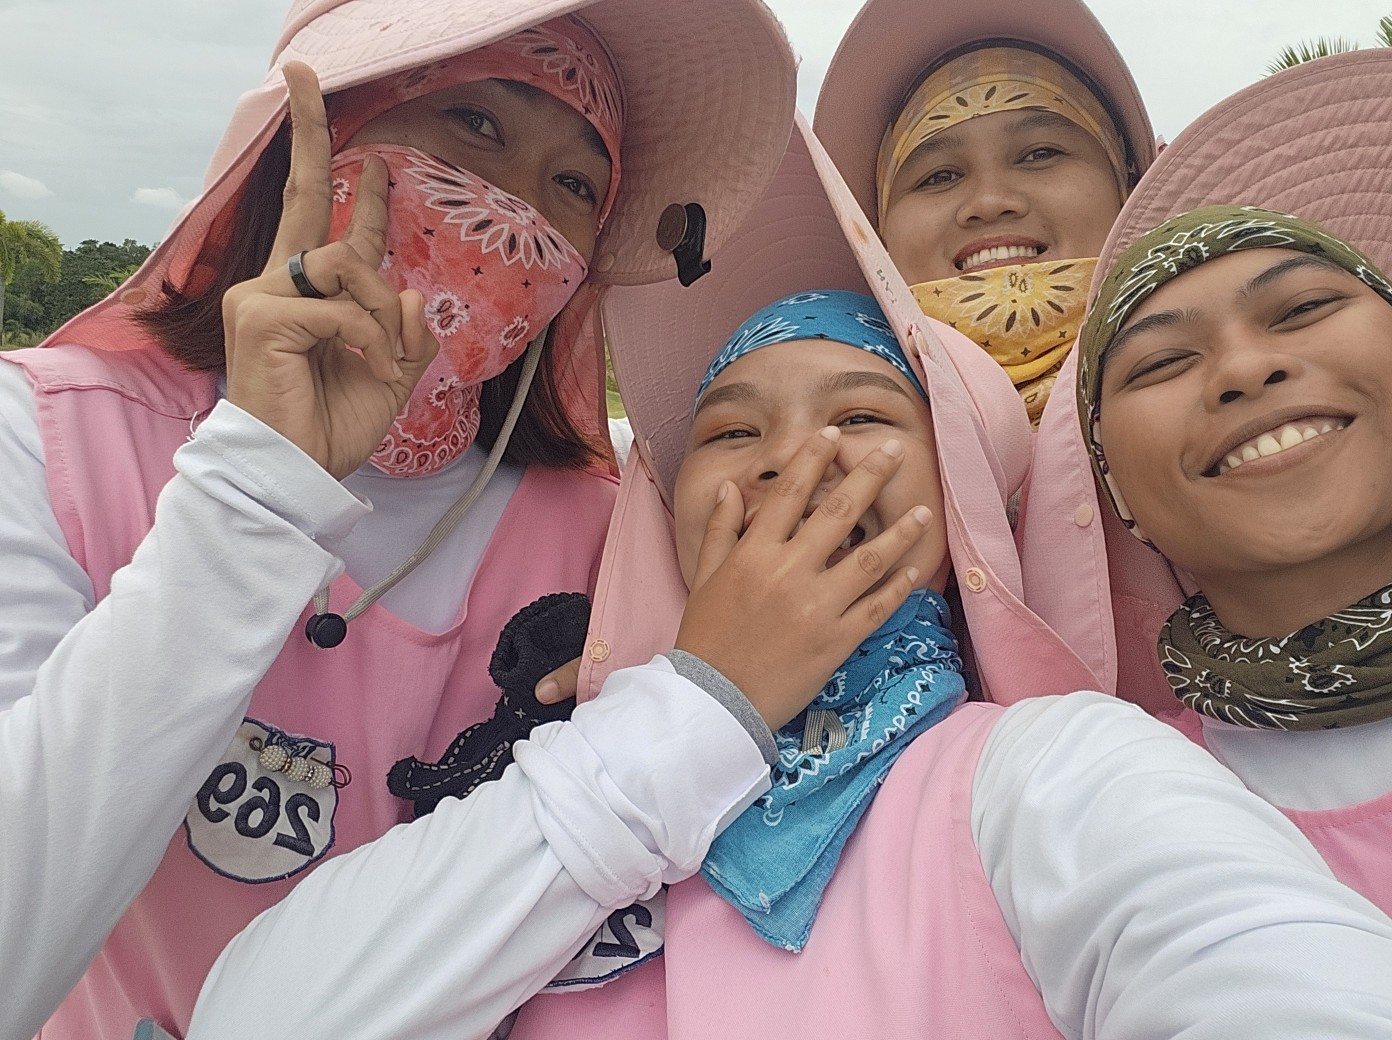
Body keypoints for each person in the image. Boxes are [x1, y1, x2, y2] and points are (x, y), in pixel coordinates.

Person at [188, 120, 1392, 1040]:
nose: (788, 460)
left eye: (862, 416)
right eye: (728, 430)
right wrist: (701, 700)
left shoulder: (1050, 772)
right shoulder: (543, 764)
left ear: (963, 507)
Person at [0, 0, 797, 1035]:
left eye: (573, 186)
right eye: (475, 124)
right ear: (324, 135)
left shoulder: (610, 541)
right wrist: (258, 485)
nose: (516, 208)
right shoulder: (49, 438)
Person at [1067, 50, 1392, 916]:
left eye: (1305, 309)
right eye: (1162, 363)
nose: (1245, 370)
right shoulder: (1100, 824)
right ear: (1117, 494)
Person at [813, 0, 1153, 429]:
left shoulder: (1224, 386)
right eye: (939, 176)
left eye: (1040, 154)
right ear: (878, 238)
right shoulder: (810, 439)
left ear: (1127, 188)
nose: (990, 202)